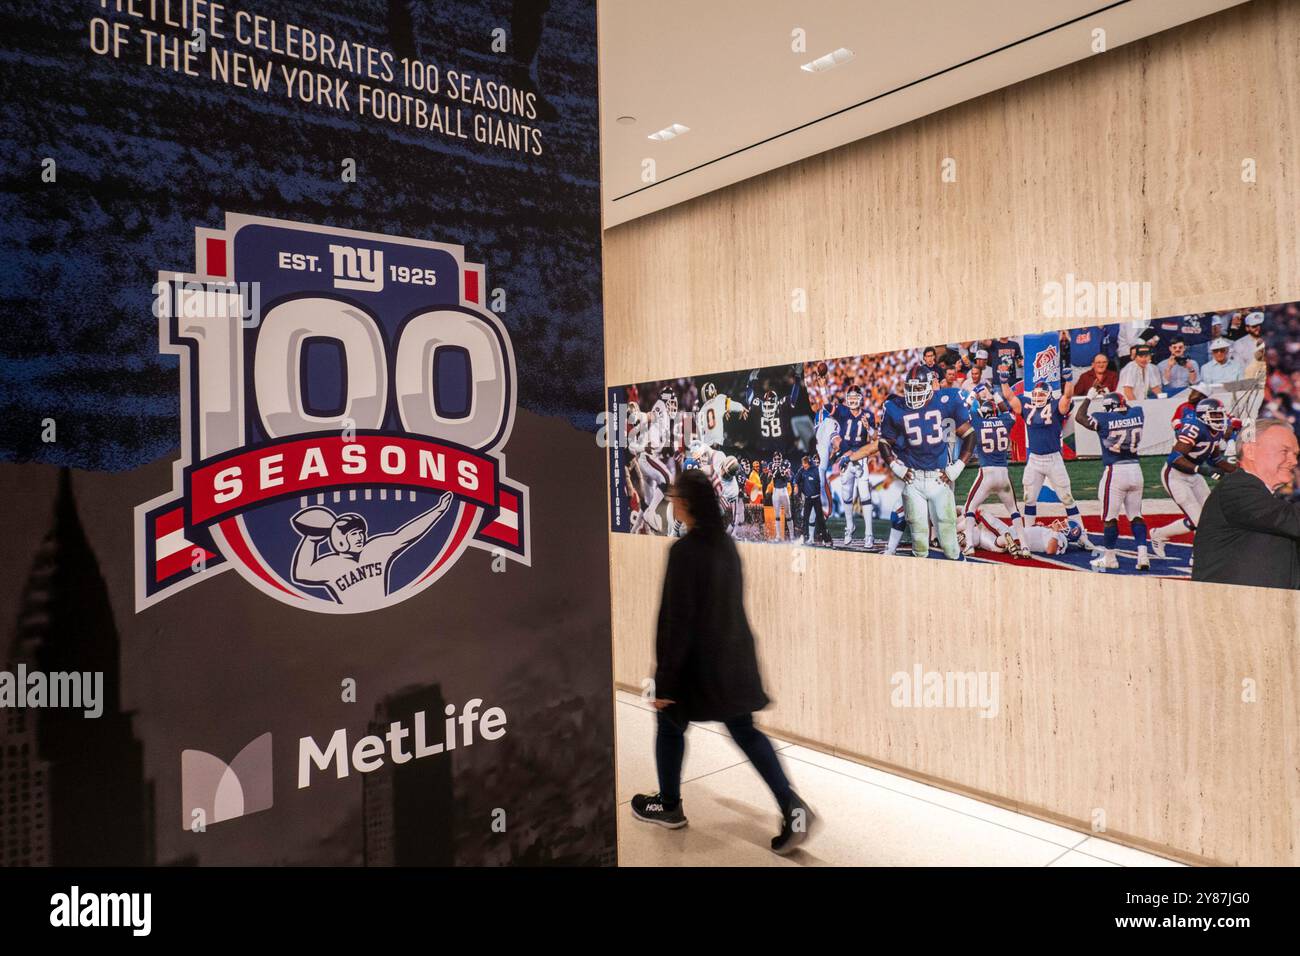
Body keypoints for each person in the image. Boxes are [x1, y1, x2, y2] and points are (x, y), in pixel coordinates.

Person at [633, 470, 817, 853]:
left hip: (697, 667)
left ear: (686, 504)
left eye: (675, 497)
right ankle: (792, 806)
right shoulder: (726, 545)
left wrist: (664, 680)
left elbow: (677, 621)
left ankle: (668, 807)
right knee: (746, 730)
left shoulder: (683, 553)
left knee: (668, 725)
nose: (672, 501)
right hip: (734, 658)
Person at [1192, 419, 1300, 590]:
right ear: (1250, 451)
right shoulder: (1237, 487)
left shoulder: (1264, 498)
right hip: (1234, 610)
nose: (1293, 461)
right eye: (1284, 451)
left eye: (1295, 454)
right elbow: (1291, 520)